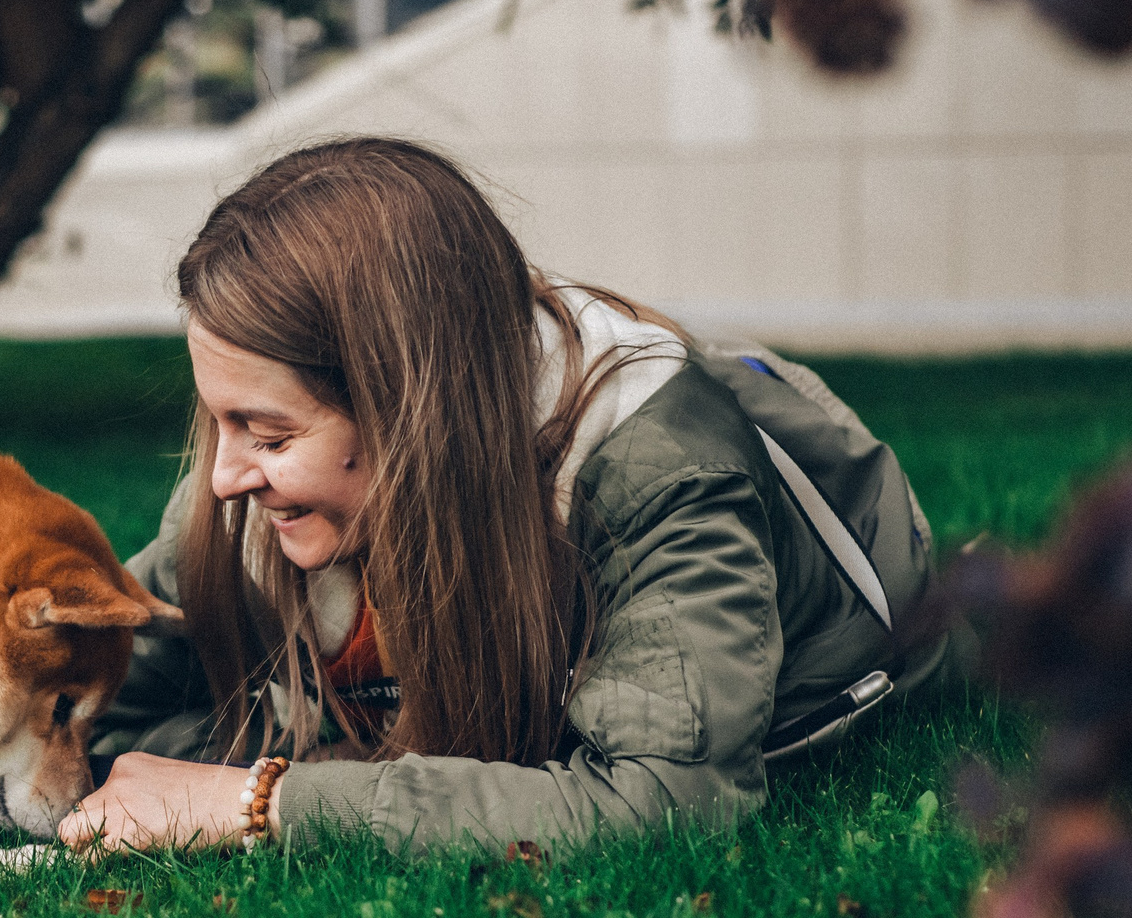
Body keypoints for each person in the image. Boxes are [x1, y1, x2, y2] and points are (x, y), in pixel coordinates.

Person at [58, 137, 952, 856]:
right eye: (219, 423)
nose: (223, 477)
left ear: (406, 409)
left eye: (272, 434)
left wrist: (265, 801)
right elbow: (88, 699)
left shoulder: (662, 477)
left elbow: (666, 797)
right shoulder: (258, 490)